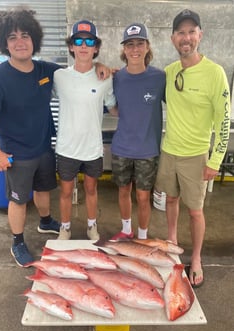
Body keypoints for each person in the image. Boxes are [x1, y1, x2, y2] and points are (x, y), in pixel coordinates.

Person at [0, 7, 110, 267]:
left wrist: (102, 66)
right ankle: (17, 242)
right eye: (12, 37)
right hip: (16, 153)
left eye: (25, 35)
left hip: (45, 148)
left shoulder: (46, 71)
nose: (20, 42)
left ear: (34, 39)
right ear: (4, 43)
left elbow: (81, 70)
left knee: (44, 190)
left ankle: (46, 221)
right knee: (18, 200)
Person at [155, 9, 230, 287]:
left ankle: (196, 258)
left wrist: (216, 159)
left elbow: (224, 120)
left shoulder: (215, 73)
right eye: (180, 33)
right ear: (173, 38)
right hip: (169, 150)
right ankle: (172, 241)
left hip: (197, 155)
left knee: (196, 211)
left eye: (191, 31)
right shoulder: (170, 72)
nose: (186, 38)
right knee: (171, 200)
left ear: (200, 34)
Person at [53, 20, 116, 241]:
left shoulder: (104, 78)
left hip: (92, 148)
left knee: (91, 189)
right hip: (67, 147)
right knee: (66, 192)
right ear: (71, 46)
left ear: (96, 48)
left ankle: (91, 226)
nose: (83, 45)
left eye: (89, 41)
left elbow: (114, 108)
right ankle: (65, 228)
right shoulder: (58, 77)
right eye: (78, 40)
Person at [110, 23, 166, 241]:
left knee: (143, 197)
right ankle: (126, 231)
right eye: (130, 44)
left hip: (147, 150)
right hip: (122, 147)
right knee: (123, 191)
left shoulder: (160, 78)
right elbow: (114, 109)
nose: (135, 49)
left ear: (147, 46)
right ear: (124, 49)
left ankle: (142, 237)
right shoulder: (116, 78)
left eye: (139, 43)